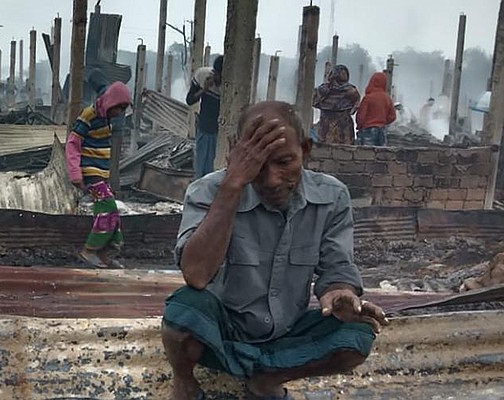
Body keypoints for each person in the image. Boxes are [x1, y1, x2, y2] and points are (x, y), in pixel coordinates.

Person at [162, 101, 389, 400]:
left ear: (305, 151)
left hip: (288, 335)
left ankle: (267, 379)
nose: (271, 180)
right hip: (222, 332)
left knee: (357, 334)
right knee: (184, 311)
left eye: (284, 162)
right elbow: (196, 274)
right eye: (257, 164)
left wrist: (339, 293)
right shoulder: (207, 191)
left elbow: (336, 269)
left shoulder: (332, 196)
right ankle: (185, 382)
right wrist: (234, 184)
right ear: (236, 152)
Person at [65, 82, 132, 269]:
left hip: (100, 173)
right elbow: (73, 144)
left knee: (112, 213)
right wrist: (75, 173)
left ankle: (106, 254)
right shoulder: (89, 115)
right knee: (108, 210)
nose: (120, 113)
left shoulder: (105, 117)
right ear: (111, 102)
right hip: (90, 171)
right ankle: (90, 250)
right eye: (119, 107)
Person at [186, 56, 223, 179]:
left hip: (220, 130)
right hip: (204, 127)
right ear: (214, 72)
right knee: (201, 165)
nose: (220, 79)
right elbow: (190, 100)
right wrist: (204, 90)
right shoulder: (202, 76)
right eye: (218, 75)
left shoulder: (229, 86)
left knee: (214, 167)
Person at [313, 65, 360, 144]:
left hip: (326, 127)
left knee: (324, 149)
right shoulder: (351, 91)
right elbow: (354, 108)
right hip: (343, 129)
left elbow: (314, 101)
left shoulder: (322, 90)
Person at [356, 72, 396, 146]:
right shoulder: (387, 98)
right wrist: (383, 122)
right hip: (382, 130)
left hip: (368, 130)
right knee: (381, 154)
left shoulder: (368, 98)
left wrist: (359, 126)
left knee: (367, 154)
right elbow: (393, 116)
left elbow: (361, 116)